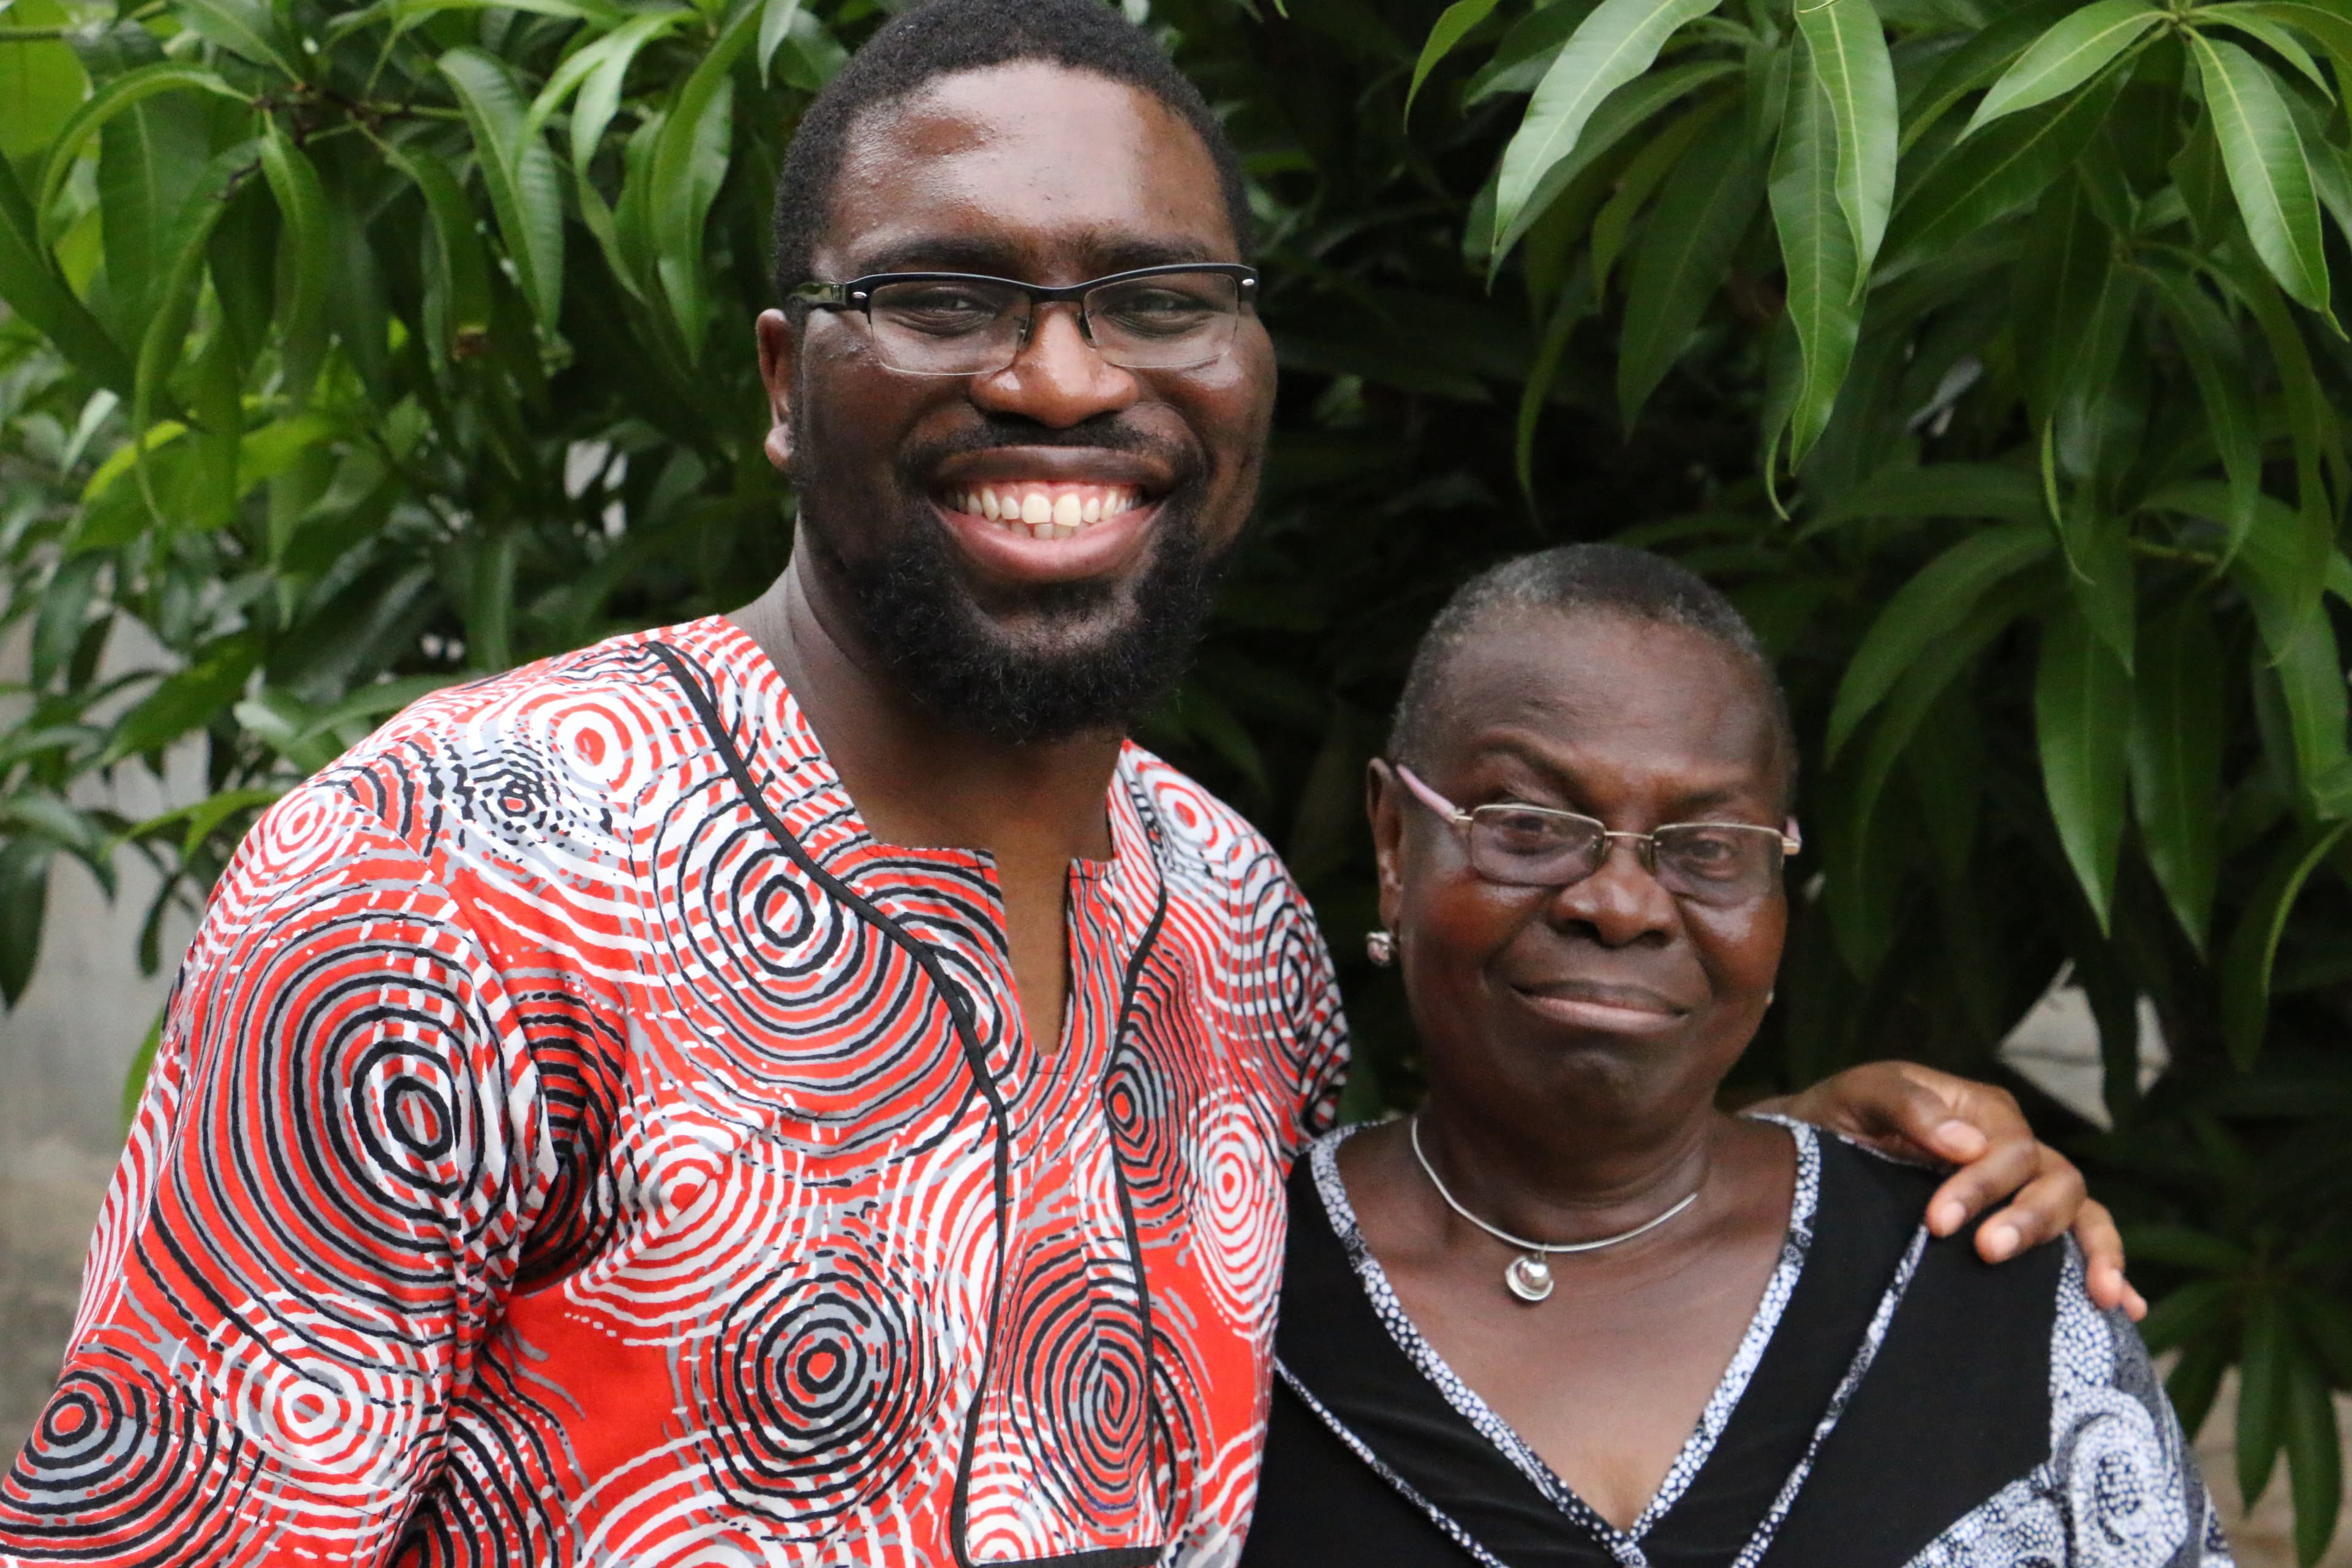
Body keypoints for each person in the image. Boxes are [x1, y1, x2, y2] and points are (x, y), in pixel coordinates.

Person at [0, 4, 2132, 1565]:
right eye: (942, 295)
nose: (1060, 375)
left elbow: (1457, 1254)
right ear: (780, 379)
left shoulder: (1234, 926)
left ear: (1248, 375)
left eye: (1156, 299)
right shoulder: (450, 879)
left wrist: (1766, 1160)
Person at [1243, 545, 2226, 1568]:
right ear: (1397, 843)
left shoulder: (1984, 1285)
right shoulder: (1211, 1292)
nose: (1621, 905)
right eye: (1530, 826)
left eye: (1709, 847)